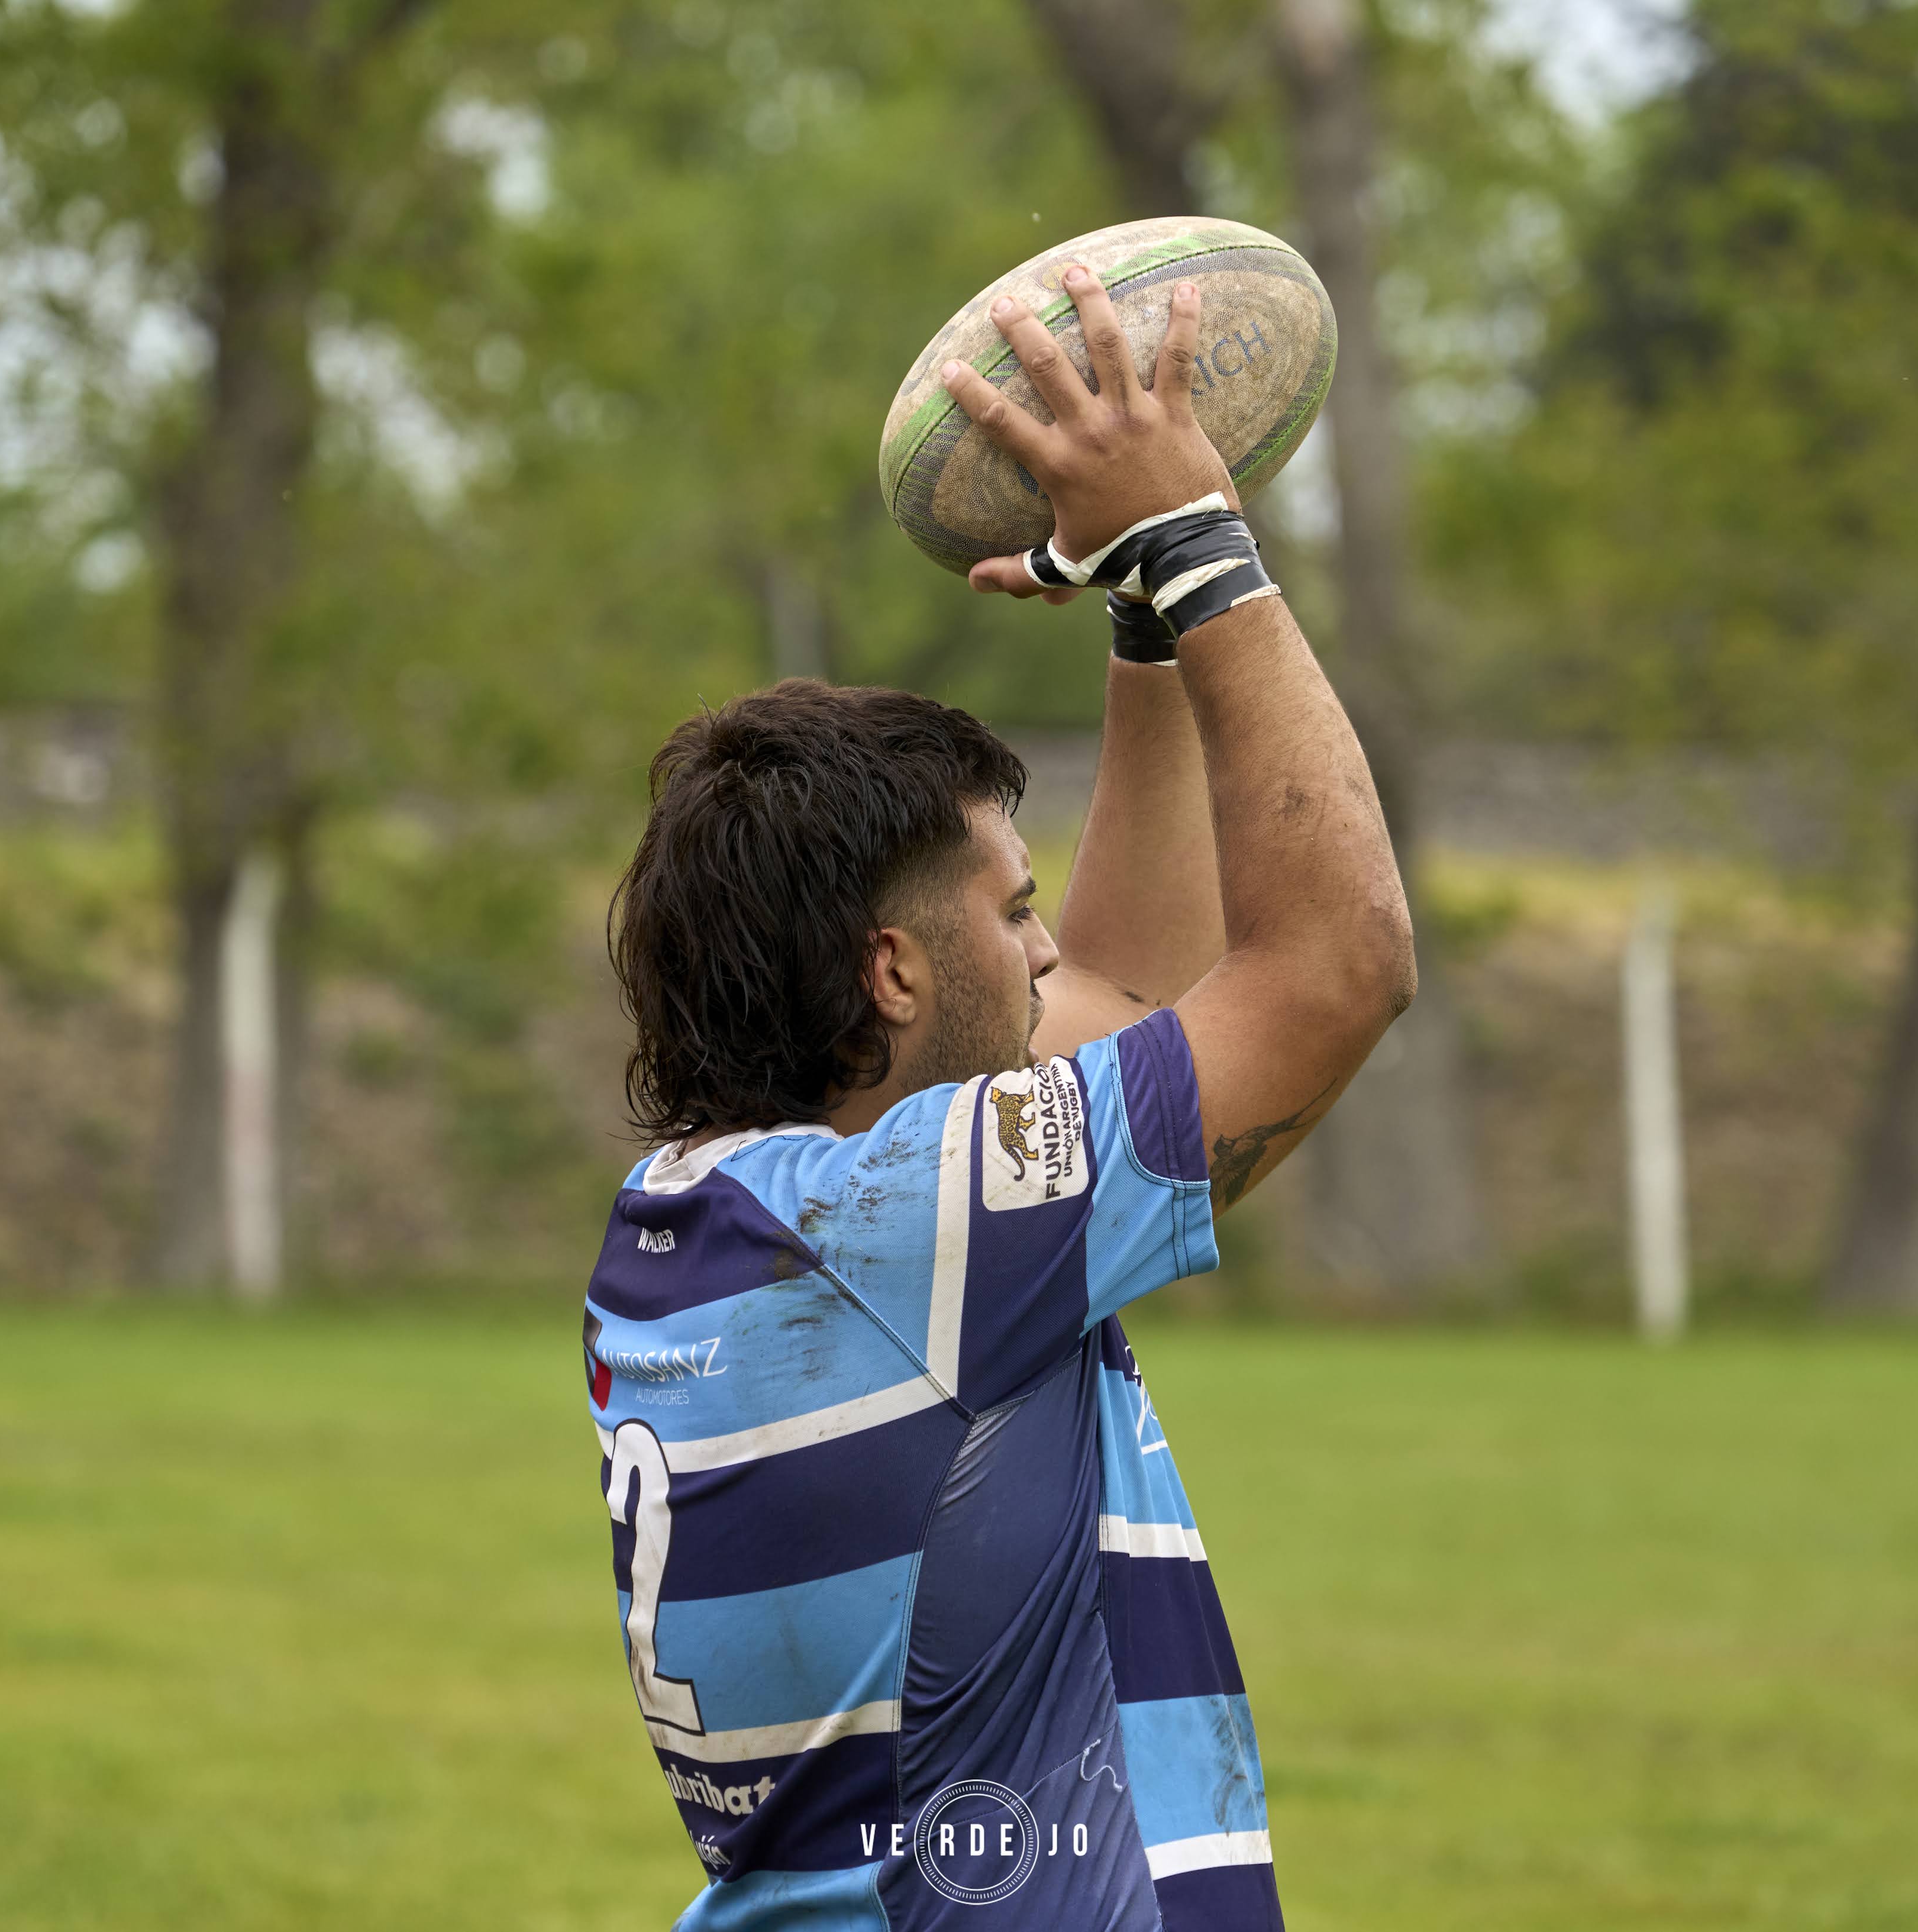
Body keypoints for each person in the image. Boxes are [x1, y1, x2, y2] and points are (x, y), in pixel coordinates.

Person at [582, 267, 1415, 1928]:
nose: (1048, 958)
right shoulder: (905, 1225)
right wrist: (1193, 542)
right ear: (892, 975)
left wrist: (1135, 618)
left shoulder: (729, 1214)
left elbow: (1119, 996)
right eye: (1010, 909)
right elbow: (1336, 966)